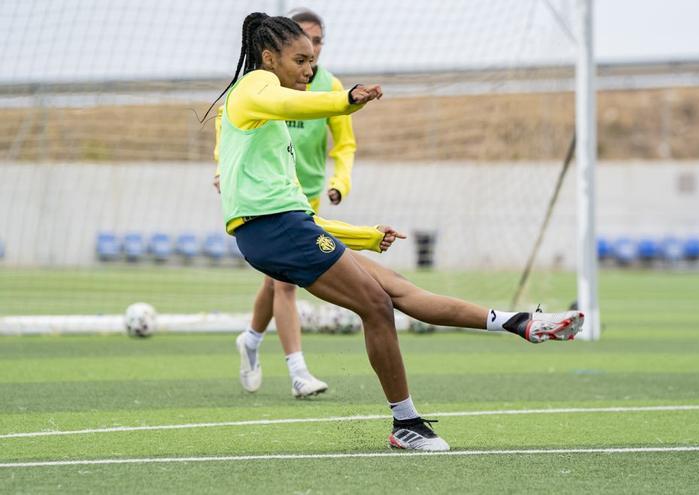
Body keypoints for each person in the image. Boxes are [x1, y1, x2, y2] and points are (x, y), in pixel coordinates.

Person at [212, 12, 584, 451]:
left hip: (282, 229)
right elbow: (290, 109)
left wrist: (365, 236)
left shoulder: (272, 128)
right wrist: (346, 99)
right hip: (272, 232)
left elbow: (297, 214)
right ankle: (405, 424)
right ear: (268, 57)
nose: (309, 71)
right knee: (376, 304)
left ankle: (518, 322)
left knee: (398, 290)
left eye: (313, 60)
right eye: (300, 60)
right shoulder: (256, 87)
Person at [214, 8, 362, 399]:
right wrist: (221, 167)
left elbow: (345, 144)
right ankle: (298, 371)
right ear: (277, 50)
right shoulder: (263, 88)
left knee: (275, 281)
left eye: (317, 44)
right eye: (304, 45)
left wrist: (340, 183)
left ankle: (250, 338)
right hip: (271, 201)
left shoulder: (324, 82)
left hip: (305, 195)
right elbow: (226, 124)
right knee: (286, 284)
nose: (311, 53)